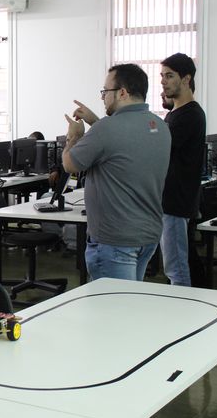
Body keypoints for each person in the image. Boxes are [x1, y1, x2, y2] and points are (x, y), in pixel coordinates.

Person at [63, 63, 171, 281]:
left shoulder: (107, 129)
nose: (103, 97)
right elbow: (121, 143)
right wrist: (95, 122)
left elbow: (70, 164)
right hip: (148, 235)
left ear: (122, 92)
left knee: (112, 302)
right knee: (130, 298)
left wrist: (74, 137)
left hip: (115, 240)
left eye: (105, 91)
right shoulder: (160, 126)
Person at [159, 53, 206, 286]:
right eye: (162, 76)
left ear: (186, 79)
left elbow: (159, 148)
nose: (163, 81)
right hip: (171, 201)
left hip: (176, 203)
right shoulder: (174, 114)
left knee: (176, 269)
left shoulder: (190, 115)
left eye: (169, 76)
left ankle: (183, 306)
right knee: (179, 264)